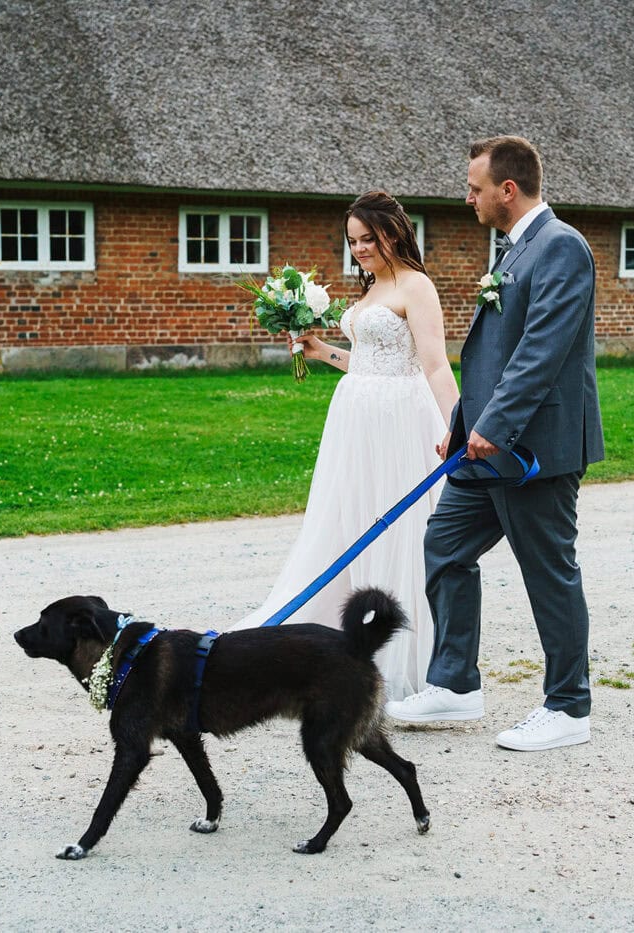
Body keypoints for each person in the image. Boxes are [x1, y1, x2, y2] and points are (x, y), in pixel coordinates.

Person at [385, 136, 604, 751]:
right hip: (485, 450)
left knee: (548, 571)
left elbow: (540, 353)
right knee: (446, 544)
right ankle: (455, 685)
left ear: (508, 189)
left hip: (533, 451)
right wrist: (462, 429)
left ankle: (568, 707)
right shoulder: (514, 251)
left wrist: (492, 426)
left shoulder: (561, 248)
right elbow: (492, 356)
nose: (468, 197)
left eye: (475, 187)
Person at [229, 190, 460, 702]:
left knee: (394, 527)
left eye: (367, 239)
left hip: (400, 419)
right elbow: (368, 360)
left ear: (393, 233)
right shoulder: (373, 286)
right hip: (356, 418)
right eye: (352, 241)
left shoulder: (416, 286)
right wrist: (319, 349)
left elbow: (433, 364)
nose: (359, 249)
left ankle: (406, 660)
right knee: (347, 519)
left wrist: (458, 424)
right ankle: (330, 648)